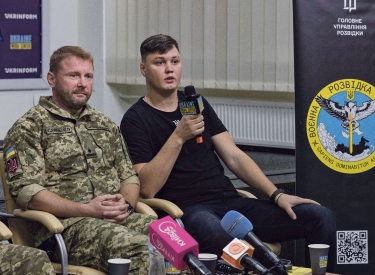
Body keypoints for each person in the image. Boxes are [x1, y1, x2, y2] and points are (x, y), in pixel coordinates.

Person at [120, 34, 337, 272]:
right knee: (215, 233)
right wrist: (178, 136)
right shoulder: (135, 119)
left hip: (230, 202)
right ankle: (273, 269)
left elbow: (234, 156)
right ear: (143, 68)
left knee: (320, 216)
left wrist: (277, 195)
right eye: (159, 62)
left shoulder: (196, 103)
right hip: (188, 210)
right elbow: (148, 187)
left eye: (175, 61)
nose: (169, 69)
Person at [2, 46, 155, 275]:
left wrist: (126, 205)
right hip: (65, 229)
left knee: (174, 239)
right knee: (138, 248)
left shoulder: (105, 124)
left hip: (117, 219)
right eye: (73, 76)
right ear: (52, 79)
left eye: (88, 76)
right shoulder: (30, 127)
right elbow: (28, 193)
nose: (83, 83)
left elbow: (128, 176)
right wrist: (87, 210)